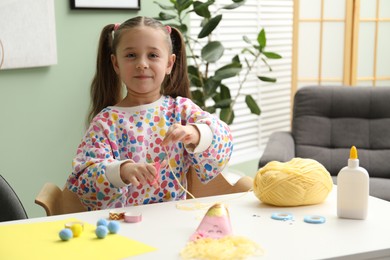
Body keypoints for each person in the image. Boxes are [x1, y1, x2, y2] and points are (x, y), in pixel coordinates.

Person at [67, 16, 233, 211]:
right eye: (131, 55)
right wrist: (121, 171)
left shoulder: (181, 111)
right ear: (116, 64)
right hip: (122, 227)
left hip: (172, 220)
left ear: (170, 63)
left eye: (153, 55)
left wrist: (196, 133)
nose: (142, 64)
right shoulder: (106, 122)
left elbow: (224, 140)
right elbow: (85, 180)